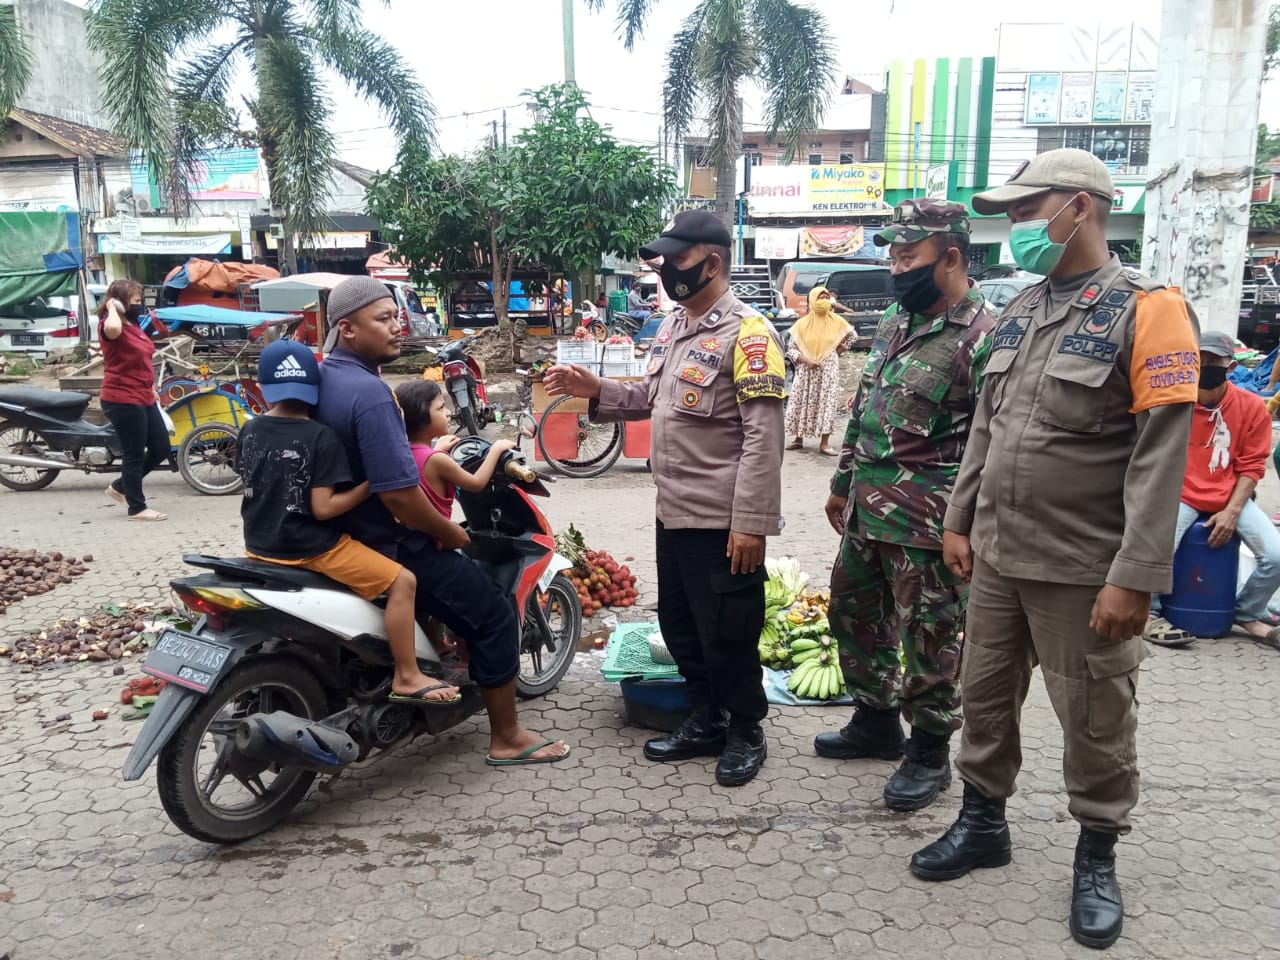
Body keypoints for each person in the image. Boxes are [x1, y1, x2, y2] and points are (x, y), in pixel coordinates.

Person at [909, 149, 1200, 950]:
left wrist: (1137, 575)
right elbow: (987, 428)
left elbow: (1159, 454)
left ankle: (1097, 855)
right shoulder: (1024, 308)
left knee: (1097, 718)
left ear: (1080, 207)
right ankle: (982, 823)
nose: (1016, 227)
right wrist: (959, 519)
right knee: (985, 695)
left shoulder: (1150, 309)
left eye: (1028, 209)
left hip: (1086, 569)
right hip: (1000, 554)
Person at [543, 209, 786, 787]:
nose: (667, 271)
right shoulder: (676, 325)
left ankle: (745, 730)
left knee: (729, 630)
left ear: (713, 262)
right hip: (672, 511)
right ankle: (705, 719)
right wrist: (596, 388)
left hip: (722, 519)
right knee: (682, 625)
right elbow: (652, 394)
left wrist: (750, 523)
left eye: (677, 261)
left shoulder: (750, 336)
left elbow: (764, 438)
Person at [315, 276, 569, 766]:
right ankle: (507, 737)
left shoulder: (327, 379)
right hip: (397, 543)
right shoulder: (370, 393)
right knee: (493, 615)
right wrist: (450, 533)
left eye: (396, 315)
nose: (397, 325)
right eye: (383, 318)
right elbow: (401, 495)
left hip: (341, 538)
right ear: (346, 328)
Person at [817, 199, 996, 813]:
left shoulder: (983, 336)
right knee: (854, 612)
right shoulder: (897, 320)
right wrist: (842, 482)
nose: (895, 267)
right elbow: (866, 408)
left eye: (907, 255)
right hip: (869, 509)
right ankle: (874, 721)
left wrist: (965, 524)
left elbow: (989, 441)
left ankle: (929, 753)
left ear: (950, 257)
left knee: (932, 635)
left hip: (929, 524)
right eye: (891, 253)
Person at [236, 340, 459, 704]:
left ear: (261, 388)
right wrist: (371, 484)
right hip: (310, 549)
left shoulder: (250, 430)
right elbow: (324, 509)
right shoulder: (319, 436)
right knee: (404, 582)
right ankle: (407, 675)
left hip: (259, 546)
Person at [1144, 330, 1280, 649]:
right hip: (1182, 492)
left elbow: (1252, 466)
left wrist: (1232, 510)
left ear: (1230, 367)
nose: (1205, 365)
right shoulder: (1174, 403)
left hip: (1230, 493)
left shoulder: (1250, 407)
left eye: (1213, 360)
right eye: (1199, 358)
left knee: (1276, 555)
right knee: (1155, 546)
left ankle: (1248, 612)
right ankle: (1148, 612)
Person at [98, 280, 170, 521]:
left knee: (161, 447)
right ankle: (137, 508)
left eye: (140, 300)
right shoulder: (110, 325)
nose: (139, 305)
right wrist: (111, 308)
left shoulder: (135, 326)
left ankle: (119, 486)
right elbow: (113, 331)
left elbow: (143, 361)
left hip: (143, 395)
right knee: (134, 453)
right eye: (135, 301)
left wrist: (151, 387)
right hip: (121, 397)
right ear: (119, 300)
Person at [785, 285, 852, 454]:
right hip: (806, 370)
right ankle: (798, 439)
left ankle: (825, 443)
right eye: (820, 297)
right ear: (812, 300)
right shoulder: (801, 324)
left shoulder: (838, 321)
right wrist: (806, 360)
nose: (823, 301)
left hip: (828, 369)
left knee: (827, 403)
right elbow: (791, 349)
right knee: (801, 401)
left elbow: (852, 337)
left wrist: (837, 352)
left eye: (826, 297)